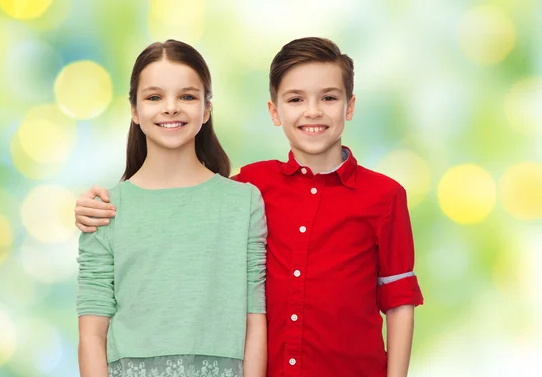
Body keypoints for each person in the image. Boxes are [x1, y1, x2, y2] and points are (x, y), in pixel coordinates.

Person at [75, 37, 424, 377]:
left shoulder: (382, 195)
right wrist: (88, 206)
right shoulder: (253, 186)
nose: (313, 111)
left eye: (329, 98)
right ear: (274, 110)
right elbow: (182, 201)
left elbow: (399, 301)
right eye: (296, 99)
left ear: (350, 106)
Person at [76, 39, 267, 377]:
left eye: (187, 96)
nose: (171, 107)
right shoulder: (104, 209)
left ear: (206, 109)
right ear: (134, 110)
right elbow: (92, 333)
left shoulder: (244, 203)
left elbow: (254, 319)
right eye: (154, 97)